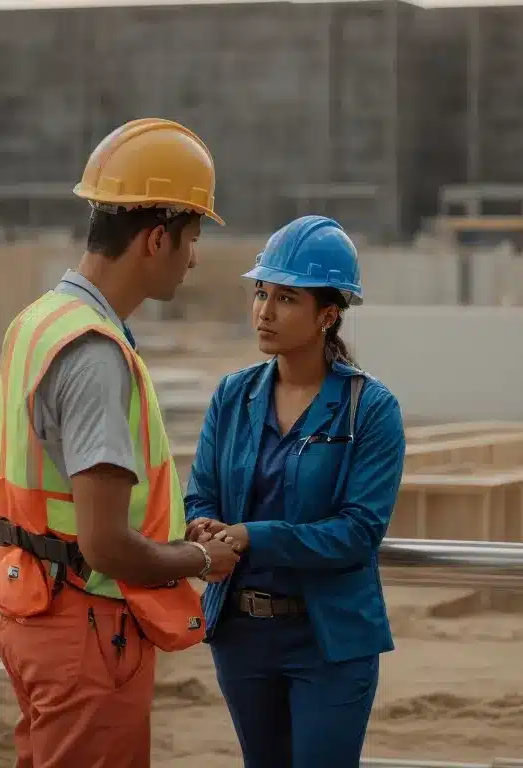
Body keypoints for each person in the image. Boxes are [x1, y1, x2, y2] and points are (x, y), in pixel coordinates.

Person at [0, 117, 244, 768]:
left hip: (33, 604)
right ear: (156, 239)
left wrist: (180, 532)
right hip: (86, 627)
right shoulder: (95, 355)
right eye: (191, 237)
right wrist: (198, 561)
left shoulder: (40, 321)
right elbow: (104, 543)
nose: (194, 257)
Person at [182, 214, 407, 768]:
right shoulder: (233, 397)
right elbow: (201, 494)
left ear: (328, 315)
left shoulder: (371, 410)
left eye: (286, 297)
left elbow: (357, 533)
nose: (264, 310)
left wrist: (251, 537)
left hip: (329, 640)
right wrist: (205, 527)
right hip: (243, 635)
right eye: (261, 293)